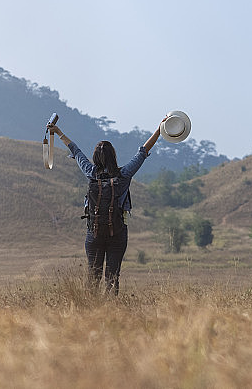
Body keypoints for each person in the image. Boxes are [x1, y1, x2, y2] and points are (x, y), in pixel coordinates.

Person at [48, 117, 165, 294]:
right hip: (117, 233)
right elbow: (143, 152)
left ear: (95, 157)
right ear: (114, 156)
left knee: (93, 276)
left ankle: (90, 311)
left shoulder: (90, 172)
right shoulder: (124, 174)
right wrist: (159, 129)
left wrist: (58, 132)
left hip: (94, 233)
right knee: (112, 278)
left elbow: (75, 150)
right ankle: (111, 314)